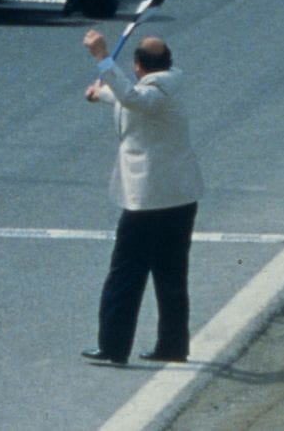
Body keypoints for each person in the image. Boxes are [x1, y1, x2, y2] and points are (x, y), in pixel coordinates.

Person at [81, 29, 203, 366]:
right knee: (170, 272)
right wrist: (101, 94)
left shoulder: (157, 90)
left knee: (126, 270)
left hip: (150, 198)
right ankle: (172, 345)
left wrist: (102, 57)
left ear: (137, 66)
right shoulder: (165, 83)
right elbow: (129, 97)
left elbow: (135, 99)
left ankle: (113, 345)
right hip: (178, 195)